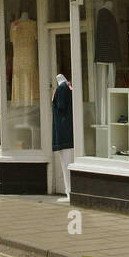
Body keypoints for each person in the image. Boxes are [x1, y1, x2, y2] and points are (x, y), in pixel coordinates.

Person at [52, 73, 74, 202]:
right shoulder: (68, 87)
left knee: (66, 163)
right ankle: (68, 191)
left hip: (63, 131)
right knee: (67, 162)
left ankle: (69, 192)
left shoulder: (62, 89)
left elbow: (60, 107)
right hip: (66, 130)